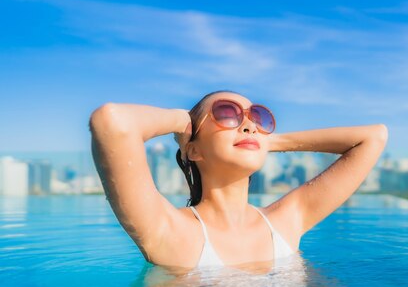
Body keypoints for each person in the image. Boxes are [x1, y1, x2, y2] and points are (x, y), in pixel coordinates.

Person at [89, 90, 388, 271]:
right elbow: (112, 121)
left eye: (256, 118)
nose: (248, 125)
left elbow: (373, 137)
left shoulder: (287, 221)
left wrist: (269, 141)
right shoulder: (169, 230)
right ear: (193, 149)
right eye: (226, 114)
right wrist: (183, 121)